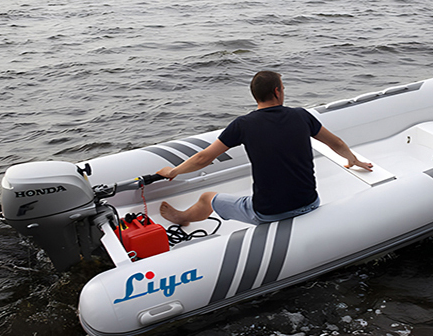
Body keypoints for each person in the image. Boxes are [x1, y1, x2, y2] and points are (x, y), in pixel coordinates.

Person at [157, 71, 372, 226]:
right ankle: (182, 218)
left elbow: (204, 158)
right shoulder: (301, 115)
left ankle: (182, 218)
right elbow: (336, 143)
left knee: (207, 197)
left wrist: (173, 171)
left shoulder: (243, 125)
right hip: (310, 202)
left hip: (269, 213)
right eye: (283, 88)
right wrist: (353, 159)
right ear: (277, 91)